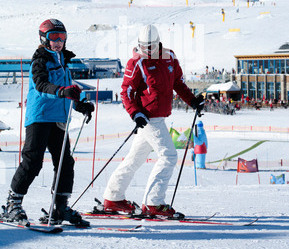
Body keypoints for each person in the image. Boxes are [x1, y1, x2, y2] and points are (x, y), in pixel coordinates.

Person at [103, 24, 204, 217]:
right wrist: (135, 113)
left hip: (159, 116)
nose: (147, 50)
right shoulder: (136, 62)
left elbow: (178, 83)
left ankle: (113, 198)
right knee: (169, 156)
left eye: (151, 46)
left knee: (135, 158)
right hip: (148, 118)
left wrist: (192, 100)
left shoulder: (170, 58)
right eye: (144, 46)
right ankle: (153, 203)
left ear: (158, 43)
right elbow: (126, 92)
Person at [1, 19, 94, 226]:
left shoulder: (63, 61)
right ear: (44, 38)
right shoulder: (39, 61)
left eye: (62, 37)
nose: (58, 42)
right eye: (54, 37)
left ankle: (59, 207)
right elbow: (42, 85)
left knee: (65, 163)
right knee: (33, 161)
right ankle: (12, 204)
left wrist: (80, 104)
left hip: (59, 119)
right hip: (40, 117)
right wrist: (62, 92)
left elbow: (68, 89)